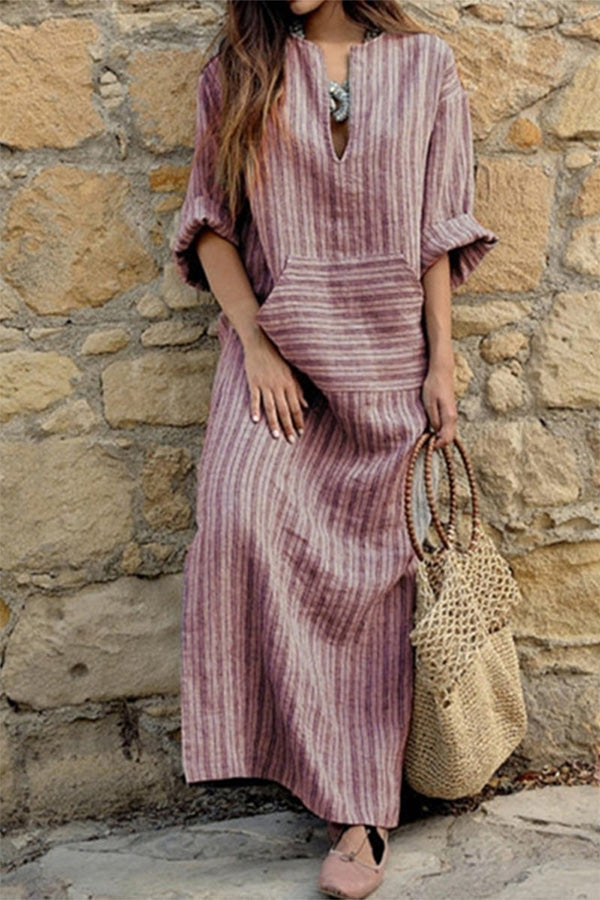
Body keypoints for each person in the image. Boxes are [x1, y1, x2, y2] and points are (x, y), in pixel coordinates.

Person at [171, 1, 499, 897]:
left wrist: (441, 358)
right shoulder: (237, 74)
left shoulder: (426, 66)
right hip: (277, 363)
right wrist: (255, 344)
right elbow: (210, 223)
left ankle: (359, 814)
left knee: (377, 574)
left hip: (389, 362)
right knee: (238, 521)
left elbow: (437, 228)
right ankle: (307, 767)